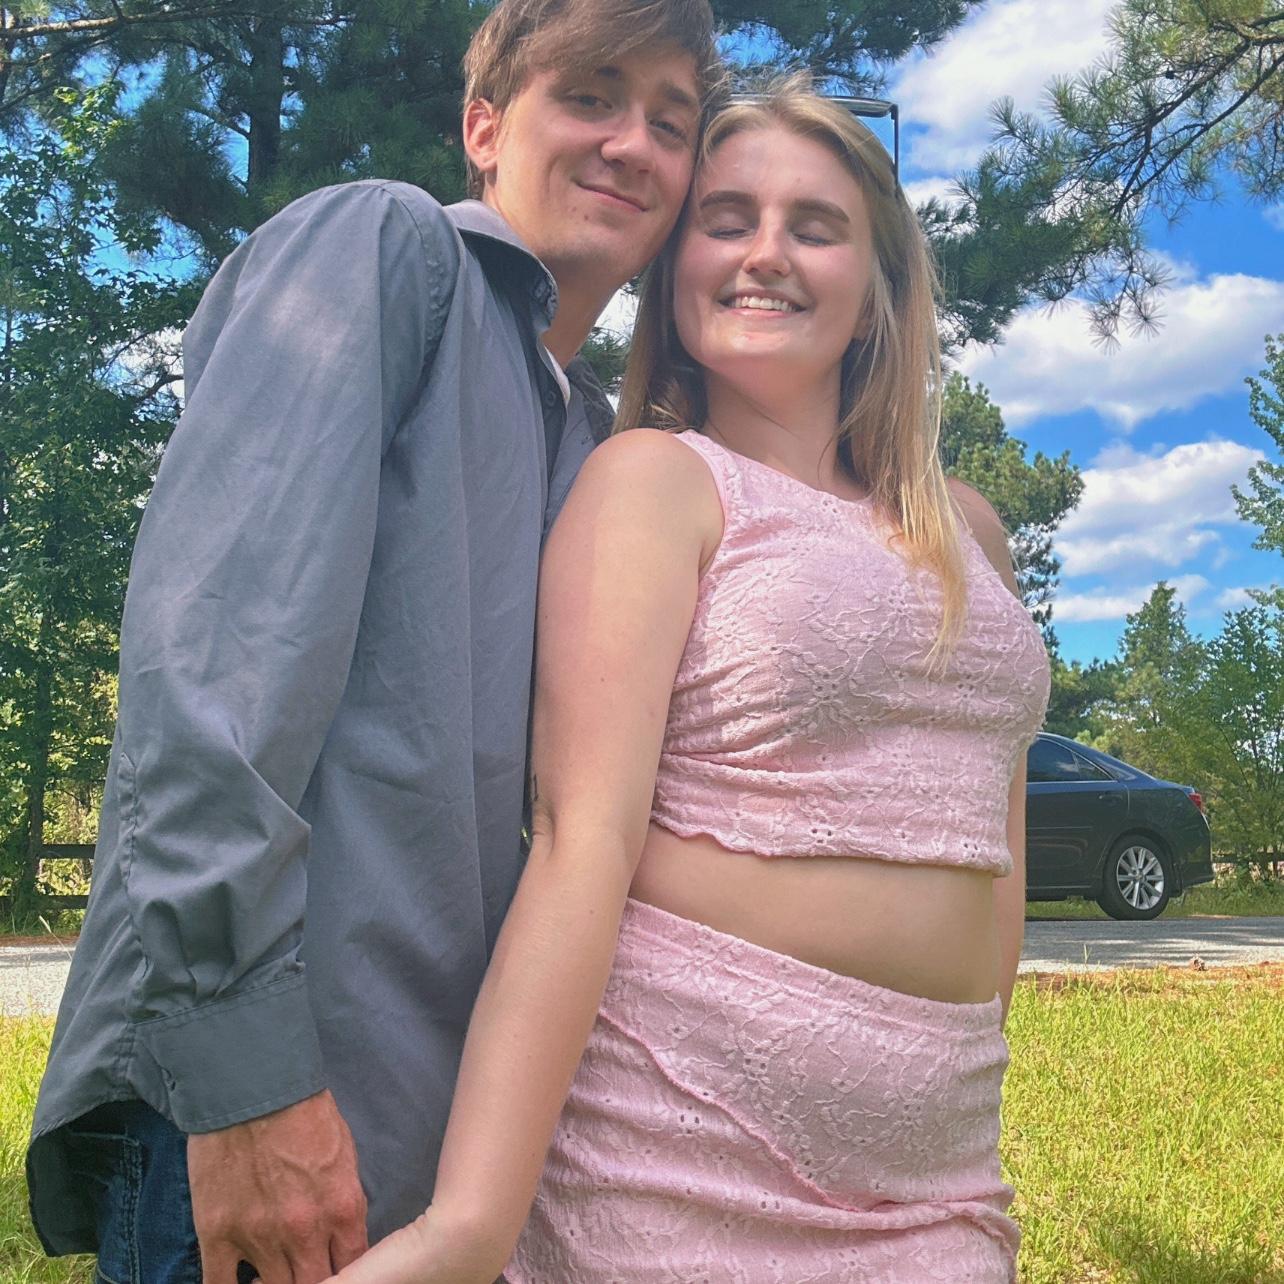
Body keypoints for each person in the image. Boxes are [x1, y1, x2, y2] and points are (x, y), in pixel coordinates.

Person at [26, 2, 721, 1279]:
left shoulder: (593, 446)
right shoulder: (385, 249)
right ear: (484, 127)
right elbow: (209, 673)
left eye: (671, 125)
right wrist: (249, 1082)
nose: (633, 143)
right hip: (258, 1130)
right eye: (592, 96)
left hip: (434, 1161)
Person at [328, 74, 1051, 1284]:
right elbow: (580, 843)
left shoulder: (968, 530)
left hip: (939, 1175)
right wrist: (469, 1223)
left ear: (877, 289)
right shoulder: (657, 481)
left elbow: (992, 839)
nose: (765, 253)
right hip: (675, 1151)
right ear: (676, 273)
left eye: (813, 227)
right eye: (726, 221)